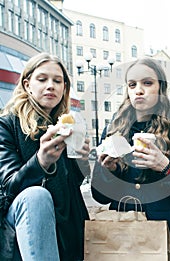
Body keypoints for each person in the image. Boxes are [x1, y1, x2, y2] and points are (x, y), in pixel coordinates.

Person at [91, 58, 170, 261]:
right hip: (123, 240)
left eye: (147, 83)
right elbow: (99, 196)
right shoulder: (113, 131)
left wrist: (165, 167)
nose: (138, 90)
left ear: (161, 88)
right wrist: (111, 170)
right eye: (132, 85)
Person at [0, 53, 90, 260]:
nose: (51, 85)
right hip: (20, 229)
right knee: (36, 196)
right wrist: (42, 161)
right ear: (27, 84)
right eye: (42, 79)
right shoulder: (6, 125)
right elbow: (8, 187)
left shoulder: (67, 126)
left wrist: (82, 161)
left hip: (66, 225)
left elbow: (73, 185)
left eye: (58, 81)